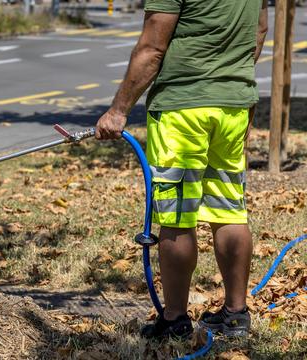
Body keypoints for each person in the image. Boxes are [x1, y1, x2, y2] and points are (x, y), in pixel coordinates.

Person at [94, 0, 268, 338]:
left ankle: (174, 319)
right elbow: (259, 30)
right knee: (229, 209)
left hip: (182, 108)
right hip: (233, 107)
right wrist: (229, 80)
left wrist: (118, 111)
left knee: (176, 217)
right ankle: (236, 315)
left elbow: (152, 48)